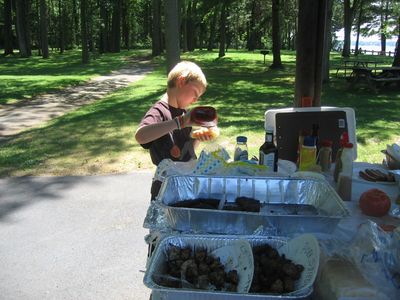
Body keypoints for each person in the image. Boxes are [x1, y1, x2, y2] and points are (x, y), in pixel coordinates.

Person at [135, 61, 215, 200]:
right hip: (165, 188)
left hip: (184, 183)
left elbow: (186, 151)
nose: (195, 100)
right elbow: (140, 136)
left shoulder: (183, 113)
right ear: (181, 81)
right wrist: (179, 122)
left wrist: (198, 137)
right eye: (195, 93)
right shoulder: (159, 111)